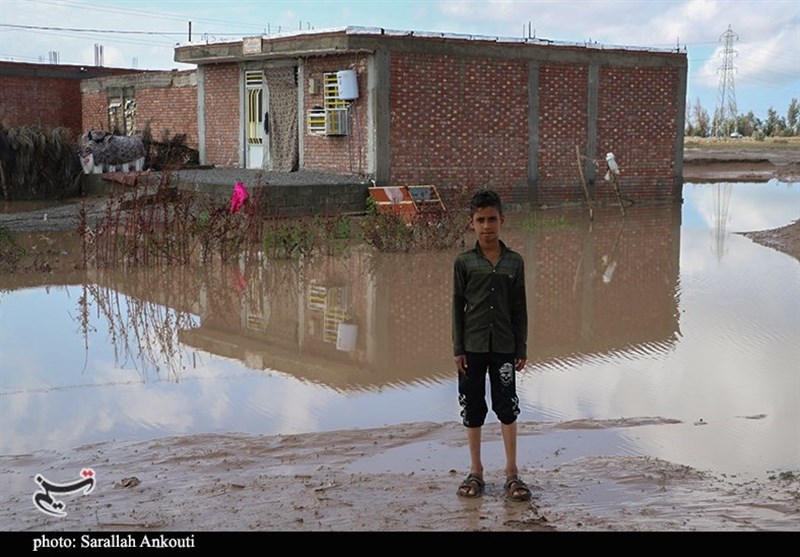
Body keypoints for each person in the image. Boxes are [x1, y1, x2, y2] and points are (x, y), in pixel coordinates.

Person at [452, 189, 531, 502]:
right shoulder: (464, 263)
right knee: (472, 409)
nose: (487, 226)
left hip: (504, 349)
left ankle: (512, 474)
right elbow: (457, 307)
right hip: (471, 348)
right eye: (480, 220)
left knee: (507, 408)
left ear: (502, 220)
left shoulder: (514, 262)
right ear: (471, 223)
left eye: (492, 219)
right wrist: (458, 349)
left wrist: (521, 348)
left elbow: (520, 308)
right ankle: (476, 471)